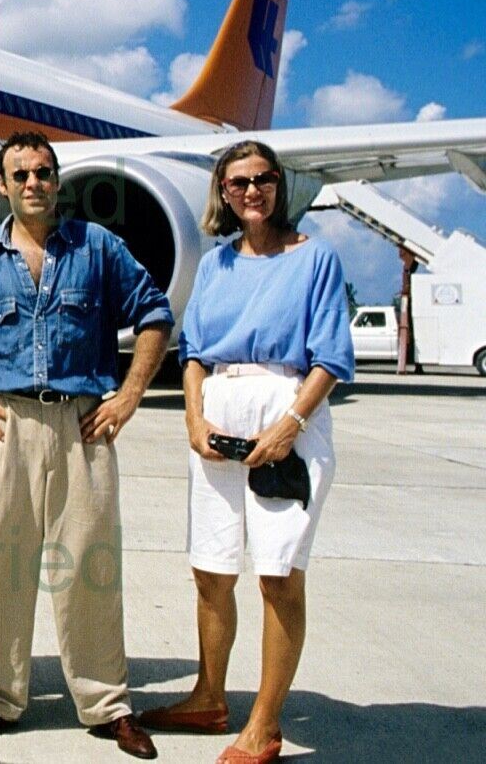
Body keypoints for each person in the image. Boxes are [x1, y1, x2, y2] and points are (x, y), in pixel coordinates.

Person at [0, 131, 171, 760]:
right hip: (4, 428)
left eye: (44, 173)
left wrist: (130, 395)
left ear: (57, 182)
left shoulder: (97, 248)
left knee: (90, 565)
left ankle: (106, 703)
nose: (34, 184)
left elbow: (155, 313)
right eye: (20, 174)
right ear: (1, 185)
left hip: (83, 424)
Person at [138, 140, 353, 764]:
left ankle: (264, 722)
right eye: (238, 183)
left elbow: (331, 357)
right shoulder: (217, 263)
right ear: (223, 194)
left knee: (278, 574)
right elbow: (196, 350)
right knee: (210, 567)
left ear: (279, 185)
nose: (251, 191)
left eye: (262, 179)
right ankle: (209, 697)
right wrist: (194, 417)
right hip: (219, 409)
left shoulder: (316, 259)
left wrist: (288, 426)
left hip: (287, 407)